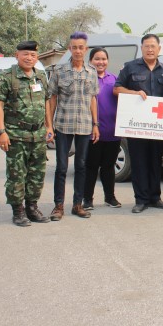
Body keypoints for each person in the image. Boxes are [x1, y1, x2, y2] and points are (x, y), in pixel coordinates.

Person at [0, 40, 52, 226]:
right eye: (25, 54)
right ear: (16, 55)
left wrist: (49, 126)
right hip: (16, 135)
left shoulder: (40, 76)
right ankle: (18, 211)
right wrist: (1, 132)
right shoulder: (6, 77)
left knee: (37, 174)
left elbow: (46, 102)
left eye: (33, 55)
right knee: (17, 175)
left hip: (38, 135)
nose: (29, 58)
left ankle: (32, 207)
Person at [114, 34, 163, 214]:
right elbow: (117, 89)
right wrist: (134, 93)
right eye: (147, 46)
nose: (150, 49)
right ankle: (141, 199)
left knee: (155, 162)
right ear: (142, 48)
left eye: (153, 46)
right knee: (139, 162)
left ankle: (155, 197)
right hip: (137, 125)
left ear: (159, 49)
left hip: (158, 126)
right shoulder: (130, 67)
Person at [47, 31, 100, 221]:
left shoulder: (91, 71)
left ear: (86, 49)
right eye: (74, 47)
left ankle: (78, 204)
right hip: (63, 125)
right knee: (61, 167)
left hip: (85, 125)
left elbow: (93, 99)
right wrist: (49, 126)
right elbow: (52, 99)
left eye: (81, 48)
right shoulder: (59, 71)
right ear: (70, 49)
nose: (78, 51)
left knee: (81, 166)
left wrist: (95, 124)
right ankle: (58, 206)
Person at [83, 47, 123, 211]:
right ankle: (87, 199)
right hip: (92, 132)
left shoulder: (114, 79)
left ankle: (110, 197)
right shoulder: (86, 79)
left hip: (112, 131)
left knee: (109, 166)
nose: (101, 62)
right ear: (90, 61)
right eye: (97, 59)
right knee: (91, 167)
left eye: (103, 59)